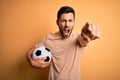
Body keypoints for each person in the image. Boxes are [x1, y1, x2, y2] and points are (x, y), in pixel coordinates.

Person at [26, 6, 101, 80]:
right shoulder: (48, 39)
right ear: (57, 22)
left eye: (70, 20)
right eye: (63, 21)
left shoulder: (78, 38)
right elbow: (29, 52)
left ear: (74, 22)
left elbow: (83, 41)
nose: (67, 25)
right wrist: (31, 61)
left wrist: (86, 37)